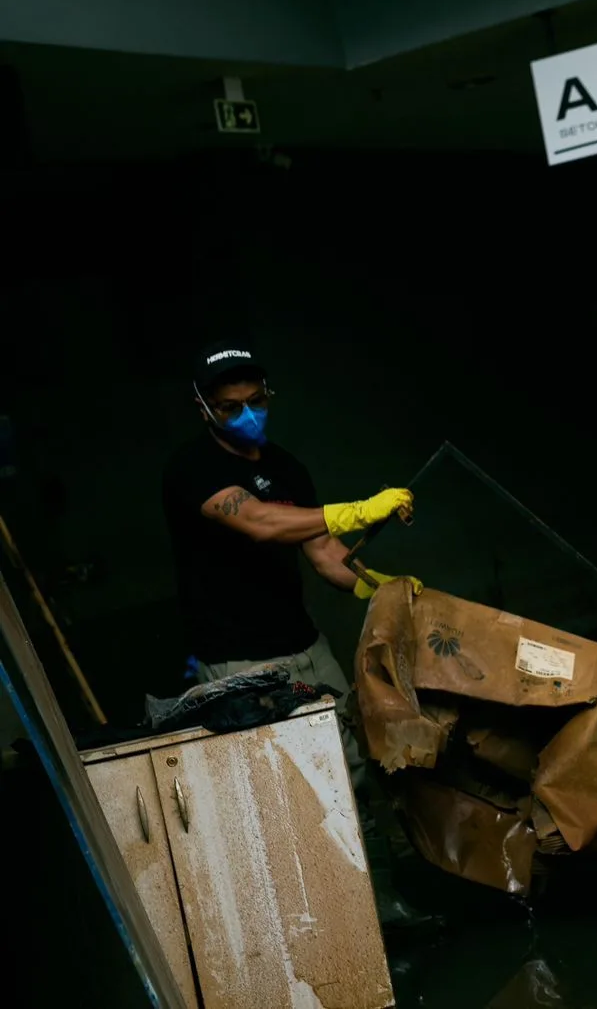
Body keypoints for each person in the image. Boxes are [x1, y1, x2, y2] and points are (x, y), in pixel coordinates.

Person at [161, 338, 430, 924]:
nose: (248, 413)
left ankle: (384, 910)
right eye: (231, 406)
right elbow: (257, 521)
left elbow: (326, 553)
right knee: (285, 797)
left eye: (256, 400)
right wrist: (356, 509)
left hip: (306, 649)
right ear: (204, 409)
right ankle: (321, 925)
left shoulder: (286, 468)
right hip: (240, 666)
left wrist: (377, 586)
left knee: (354, 775)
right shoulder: (192, 469)